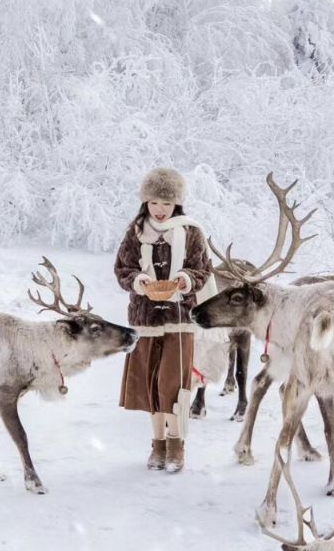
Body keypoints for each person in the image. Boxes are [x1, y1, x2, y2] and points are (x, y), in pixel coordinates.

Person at [114, 167, 212, 472]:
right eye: (154, 202)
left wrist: (184, 280)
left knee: (174, 384)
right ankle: (157, 446)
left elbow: (202, 269)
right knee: (149, 384)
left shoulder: (191, 232)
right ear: (146, 202)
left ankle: (176, 445)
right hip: (145, 320)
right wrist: (139, 281)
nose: (159, 210)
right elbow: (122, 269)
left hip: (180, 318)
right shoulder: (135, 232)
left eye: (166, 204)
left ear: (177, 204)